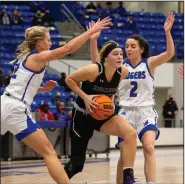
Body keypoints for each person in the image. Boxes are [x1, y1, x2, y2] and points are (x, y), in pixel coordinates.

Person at [1, 17, 111, 184]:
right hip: (15, 109)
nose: (51, 43)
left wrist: (43, 89)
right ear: (39, 43)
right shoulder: (38, 57)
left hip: (4, 102)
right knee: (49, 152)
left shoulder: (26, 58)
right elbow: (68, 48)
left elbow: (19, 86)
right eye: (48, 40)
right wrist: (89, 33)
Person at [89, 12, 175, 184]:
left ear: (141, 49)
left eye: (132, 46)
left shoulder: (149, 63)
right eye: (127, 46)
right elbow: (95, 64)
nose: (128, 49)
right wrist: (93, 41)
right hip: (125, 113)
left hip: (145, 112)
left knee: (149, 147)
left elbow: (169, 54)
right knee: (124, 155)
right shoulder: (119, 65)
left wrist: (167, 32)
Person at [64, 38, 138, 183]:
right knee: (77, 165)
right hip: (82, 117)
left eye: (121, 54)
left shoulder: (123, 71)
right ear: (106, 57)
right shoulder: (93, 70)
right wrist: (85, 97)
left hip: (102, 115)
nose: (119, 57)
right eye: (115, 54)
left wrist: (110, 101)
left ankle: (128, 177)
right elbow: (69, 80)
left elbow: (110, 89)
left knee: (130, 134)